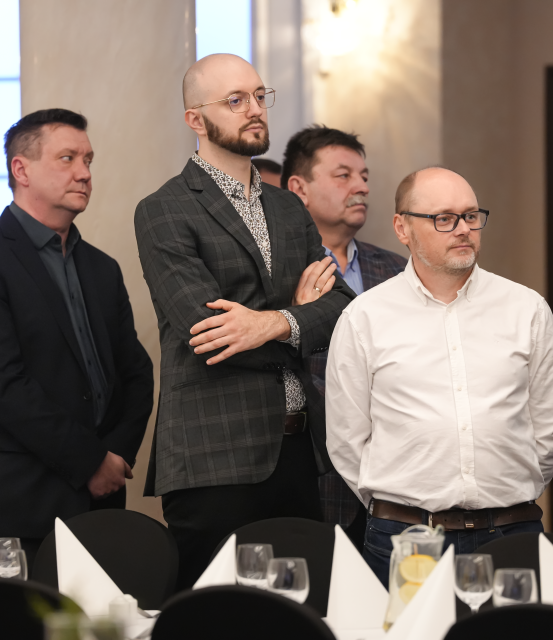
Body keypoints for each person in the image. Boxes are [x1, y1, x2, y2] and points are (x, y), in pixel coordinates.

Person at [135, 54, 355, 589]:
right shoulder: (164, 209)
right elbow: (209, 332)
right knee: (218, 619)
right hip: (215, 455)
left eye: (259, 95)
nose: (254, 109)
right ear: (195, 119)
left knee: (302, 612)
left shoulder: (289, 208)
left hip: (299, 450)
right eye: (235, 100)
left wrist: (272, 322)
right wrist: (299, 316)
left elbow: (343, 306)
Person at [325, 166, 553, 587]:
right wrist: (402, 504)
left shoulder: (526, 309)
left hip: (512, 532)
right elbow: (347, 439)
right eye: (444, 218)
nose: (463, 229)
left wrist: (502, 492)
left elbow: (550, 428)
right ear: (402, 228)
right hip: (405, 538)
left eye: (471, 216)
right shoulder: (364, 316)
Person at [0, 109, 154, 568]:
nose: (84, 173)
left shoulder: (102, 268)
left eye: (88, 160)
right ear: (21, 170)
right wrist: (90, 462)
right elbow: (1, 385)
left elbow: (137, 374)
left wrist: (116, 456)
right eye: (68, 158)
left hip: (100, 506)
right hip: (14, 506)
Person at [283, 125, 407, 548]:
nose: (361, 187)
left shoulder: (396, 270)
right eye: (344, 176)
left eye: (364, 177)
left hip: (395, 480)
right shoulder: (281, 272)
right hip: (312, 474)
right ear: (299, 189)